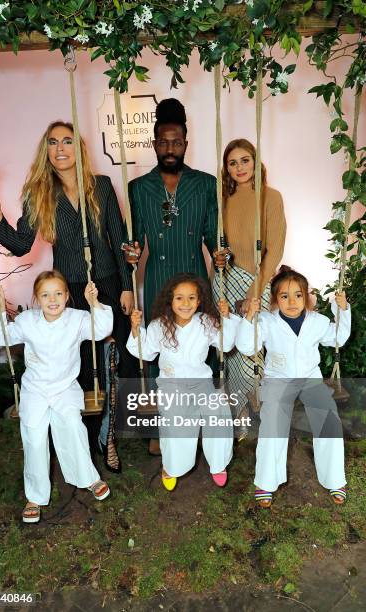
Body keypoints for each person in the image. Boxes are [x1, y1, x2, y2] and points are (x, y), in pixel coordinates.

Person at [0, 120, 138, 471]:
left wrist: (126, 285)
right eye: (53, 142)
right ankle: (81, 435)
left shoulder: (101, 186)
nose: (61, 148)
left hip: (108, 285)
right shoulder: (39, 193)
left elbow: (119, 239)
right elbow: (21, 245)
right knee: (79, 365)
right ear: (46, 151)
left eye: (67, 141)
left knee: (114, 363)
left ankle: (108, 437)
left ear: (77, 149)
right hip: (68, 294)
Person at [124, 99, 218, 454]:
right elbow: (133, 240)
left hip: (195, 276)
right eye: (162, 142)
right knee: (161, 348)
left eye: (176, 142)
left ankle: (199, 422)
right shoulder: (137, 187)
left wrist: (220, 252)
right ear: (153, 143)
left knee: (199, 347)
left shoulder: (205, 184)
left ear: (186, 143)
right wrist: (131, 252)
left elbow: (212, 235)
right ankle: (162, 428)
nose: (169, 148)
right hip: (160, 278)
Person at [0, 270, 114, 523]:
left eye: (57, 293)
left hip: (65, 387)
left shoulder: (77, 318)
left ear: (66, 296)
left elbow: (101, 330)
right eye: (45, 295)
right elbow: (2, 337)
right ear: (36, 298)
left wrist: (94, 303)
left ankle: (88, 478)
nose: (52, 299)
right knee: (33, 434)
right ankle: (35, 496)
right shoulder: (27, 321)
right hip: (35, 388)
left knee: (72, 426)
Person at [235, 267, 351, 507]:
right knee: (273, 422)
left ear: (307, 297)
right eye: (284, 296)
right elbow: (247, 347)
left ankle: (335, 479)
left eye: (298, 295)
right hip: (279, 378)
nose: (292, 301)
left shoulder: (317, 321)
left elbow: (337, 338)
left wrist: (342, 310)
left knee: (328, 419)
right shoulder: (265, 321)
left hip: (310, 377)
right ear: (275, 299)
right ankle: (266, 482)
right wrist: (249, 318)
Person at [127, 273, 240, 490]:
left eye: (191, 298)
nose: (185, 303)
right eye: (179, 298)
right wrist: (135, 329)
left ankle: (218, 464)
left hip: (202, 384)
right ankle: (171, 466)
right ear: (170, 300)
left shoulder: (207, 322)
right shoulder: (159, 325)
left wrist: (226, 318)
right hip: (172, 385)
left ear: (199, 301)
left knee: (218, 412)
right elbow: (147, 353)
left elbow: (225, 346)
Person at [213, 139, 287, 435]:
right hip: (226, 279)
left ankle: (257, 404)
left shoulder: (271, 197)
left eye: (245, 160)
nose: (239, 167)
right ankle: (239, 410)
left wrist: (254, 291)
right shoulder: (222, 200)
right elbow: (221, 246)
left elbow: (276, 249)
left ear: (256, 163)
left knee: (252, 347)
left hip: (257, 280)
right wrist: (219, 264)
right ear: (226, 168)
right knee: (230, 347)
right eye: (232, 163)